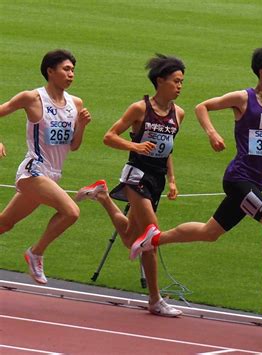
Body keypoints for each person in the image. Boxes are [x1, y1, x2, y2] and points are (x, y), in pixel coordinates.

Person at [130, 43, 262, 316]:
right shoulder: (244, 99)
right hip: (238, 179)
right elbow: (203, 107)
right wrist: (212, 134)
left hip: (257, 183)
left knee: (209, 232)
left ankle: (153, 240)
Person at [75, 54, 185, 317]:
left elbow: (168, 149)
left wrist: (172, 180)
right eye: (176, 81)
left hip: (157, 178)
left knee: (128, 238)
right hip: (137, 174)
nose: (180, 86)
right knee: (151, 236)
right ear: (160, 81)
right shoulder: (139, 109)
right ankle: (155, 300)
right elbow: (109, 136)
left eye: (182, 82)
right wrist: (133, 145)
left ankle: (102, 195)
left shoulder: (178, 114)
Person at [0, 49, 91, 284]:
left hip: (53, 175)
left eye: (73, 70)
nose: (71, 74)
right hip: (33, 171)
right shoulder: (32, 98)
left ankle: (35, 253)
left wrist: (81, 126)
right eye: (66, 69)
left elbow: (73, 146)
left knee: (5, 223)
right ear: (50, 71)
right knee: (71, 212)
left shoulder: (76, 103)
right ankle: (36, 253)